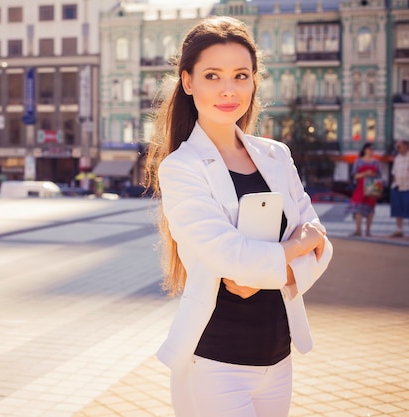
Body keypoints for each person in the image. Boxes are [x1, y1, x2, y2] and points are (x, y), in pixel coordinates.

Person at [144, 16, 333, 417]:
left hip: (278, 358)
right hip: (215, 362)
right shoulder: (182, 167)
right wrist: (297, 245)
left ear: (254, 81)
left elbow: (323, 249)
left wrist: (264, 269)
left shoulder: (276, 155)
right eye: (212, 75)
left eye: (241, 75)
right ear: (188, 81)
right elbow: (234, 259)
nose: (229, 90)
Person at [346, 142, 382, 237]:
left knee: (370, 208)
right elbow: (354, 175)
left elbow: (379, 175)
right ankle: (358, 230)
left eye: (373, 149)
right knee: (358, 207)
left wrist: (372, 174)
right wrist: (365, 173)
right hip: (361, 187)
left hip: (373, 187)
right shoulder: (358, 161)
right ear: (365, 150)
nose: (372, 151)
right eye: (370, 149)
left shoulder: (376, 162)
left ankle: (368, 231)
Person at [389, 140, 409, 237]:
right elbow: (394, 172)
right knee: (397, 209)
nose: (398, 148)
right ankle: (399, 230)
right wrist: (394, 182)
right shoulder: (397, 158)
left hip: (407, 187)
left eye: (400, 146)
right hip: (397, 186)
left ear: (406, 146)